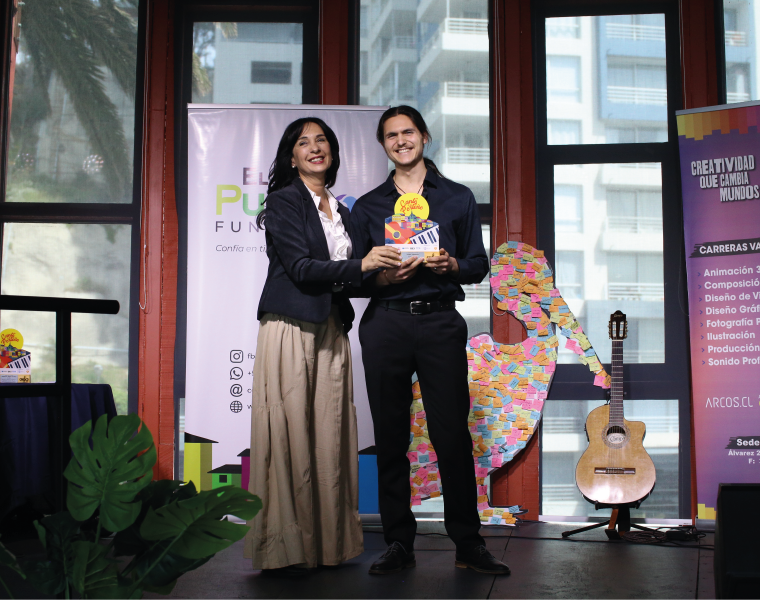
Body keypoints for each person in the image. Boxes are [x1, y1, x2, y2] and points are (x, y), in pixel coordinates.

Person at [350, 106, 510, 576]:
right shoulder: (368, 206)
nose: (401, 141)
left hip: (440, 323)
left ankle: (468, 542)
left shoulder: (457, 197)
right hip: (386, 324)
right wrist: (384, 277)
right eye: (391, 135)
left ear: (424, 136)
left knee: (452, 435)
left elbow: (478, 265)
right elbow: (355, 276)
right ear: (383, 145)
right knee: (390, 436)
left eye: (408, 132)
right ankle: (399, 541)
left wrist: (451, 265)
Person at [244, 117, 401, 576]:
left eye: (321, 141)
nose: (314, 147)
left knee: (330, 436)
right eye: (303, 142)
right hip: (290, 325)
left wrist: (394, 272)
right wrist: (364, 265)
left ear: (332, 152)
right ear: (292, 157)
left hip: (332, 327)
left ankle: (328, 545)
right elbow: (300, 267)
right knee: (289, 434)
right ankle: (285, 548)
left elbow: (356, 275)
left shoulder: (344, 211)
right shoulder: (283, 201)